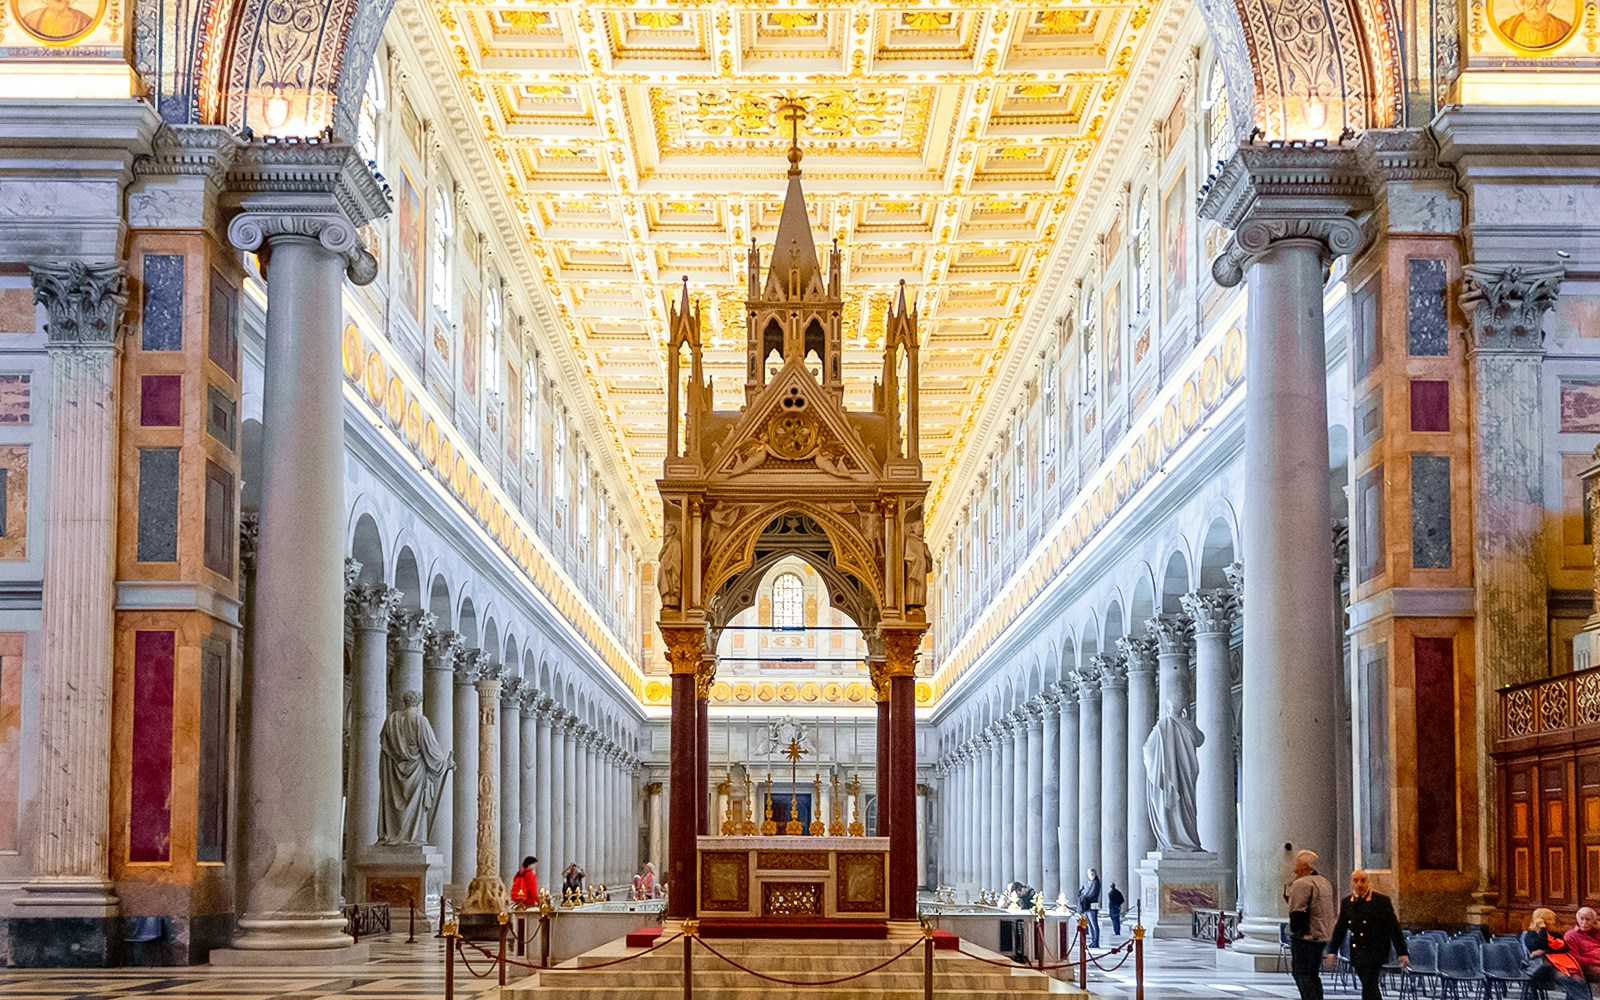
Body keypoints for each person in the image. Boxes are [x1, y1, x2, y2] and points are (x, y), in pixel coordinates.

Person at [1326, 870, 1407, 1000]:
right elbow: (1340, 928)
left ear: (1368, 882)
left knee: (1369, 983)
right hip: (1357, 952)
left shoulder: (1381, 901)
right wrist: (1332, 951)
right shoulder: (1347, 902)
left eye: (1363, 880)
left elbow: (1394, 928)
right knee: (1368, 984)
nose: (1359, 884)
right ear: (1351, 883)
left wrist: (1402, 952)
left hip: (1375, 952)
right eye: (1356, 881)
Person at [1286, 850, 1336, 1000]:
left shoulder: (1302, 883)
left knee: (1301, 973)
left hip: (1306, 937)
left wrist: (1298, 932)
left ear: (1305, 866)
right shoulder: (1324, 882)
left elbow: (1298, 912)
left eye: (1297, 862)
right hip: (1321, 935)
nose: (1294, 865)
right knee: (1313, 974)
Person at [1526, 908, 1590, 1000]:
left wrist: (1546, 950)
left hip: (1561, 965)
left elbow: (1564, 948)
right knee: (1567, 978)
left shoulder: (1555, 934)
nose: (1554, 921)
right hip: (1546, 969)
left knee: (1579, 978)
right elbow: (1540, 944)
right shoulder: (1531, 935)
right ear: (1543, 920)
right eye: (1551, 919)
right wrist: (1542, 929)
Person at [1563, 906, 1600, 982]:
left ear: (1593, 921)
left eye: (1588, 919)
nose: (1584, 922)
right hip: (1587, 967)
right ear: (1577, 920)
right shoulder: (1570, 935)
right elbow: (1574, 958)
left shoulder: (1597, 932)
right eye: (1581, 919)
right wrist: (1595, 961)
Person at [1078, 867, 1102, 948]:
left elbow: (1091, 894)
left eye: (1092, 874)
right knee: (1090, 925)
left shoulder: (1096, 883)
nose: (1091, 875)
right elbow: (1083, 892)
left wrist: (1083, 895)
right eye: (1090, 874)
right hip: (1087, 906)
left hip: (1092, 905)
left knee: (1094, 924)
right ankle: (1093, 940)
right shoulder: (1089, 883)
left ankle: (1096, 941)